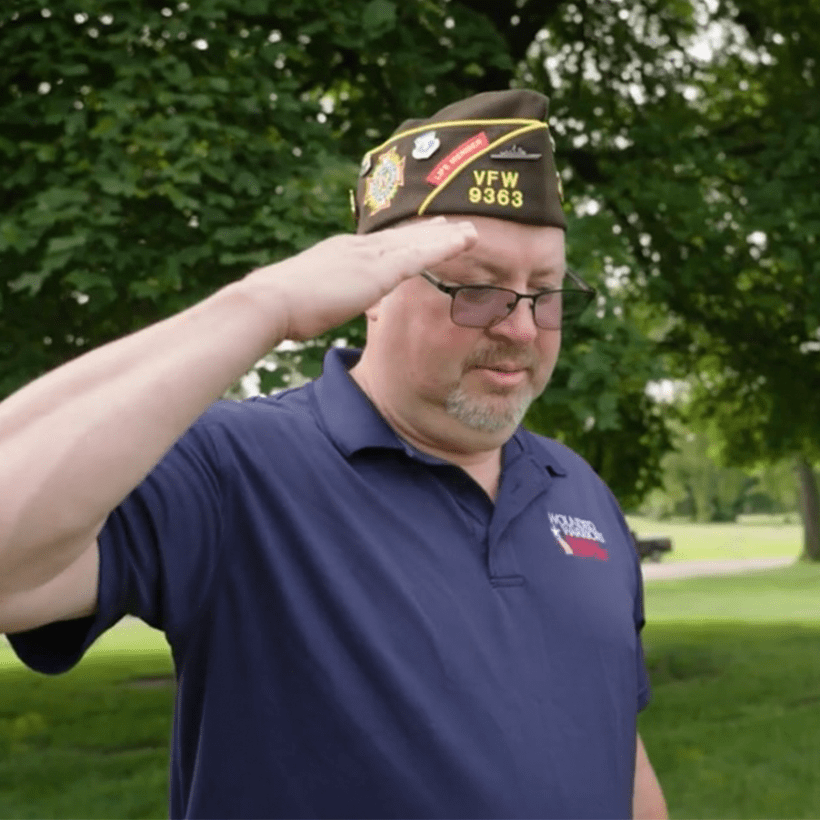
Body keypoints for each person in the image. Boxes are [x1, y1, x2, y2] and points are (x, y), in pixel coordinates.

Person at [0, 89, 667, 819]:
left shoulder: (578, 491)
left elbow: (616, 748)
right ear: (374, 291)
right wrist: (263, 306)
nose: (521, 327)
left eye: (545, 292)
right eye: (476, 290)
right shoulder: (236, 467)